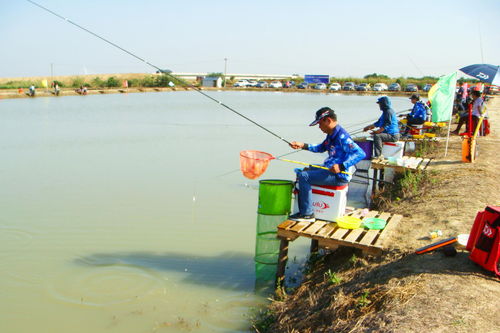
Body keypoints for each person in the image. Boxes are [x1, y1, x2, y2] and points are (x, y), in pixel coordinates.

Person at [288, 107, 366, 222]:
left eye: (320, 123)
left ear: (328, 120)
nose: (319, 127)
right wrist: (302, 145)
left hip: (339, 176)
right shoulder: (331, 135)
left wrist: (341, 166)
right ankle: (306, 207)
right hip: (328, 169)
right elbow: (320, 148)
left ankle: (307, 214)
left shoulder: (342, 137)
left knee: (304, 176)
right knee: (305, 170)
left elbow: (360, 153)